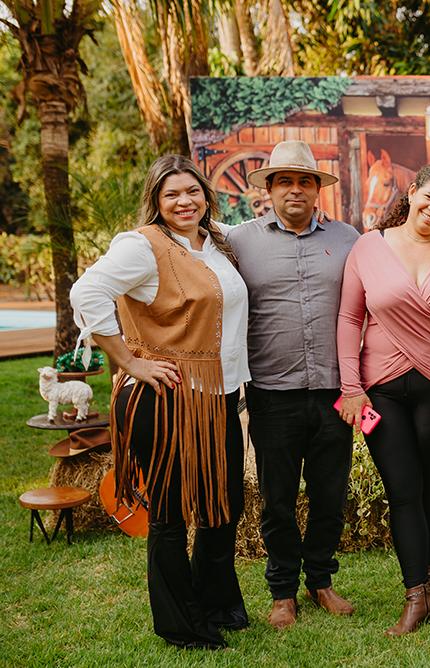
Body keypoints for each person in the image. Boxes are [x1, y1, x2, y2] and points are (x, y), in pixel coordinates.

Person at [70, 155, 249, 649]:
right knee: (170, 515)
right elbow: (87, 292)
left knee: (221, 504)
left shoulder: (214, 241)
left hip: (219, 394)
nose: (184, 201)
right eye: (171, 194)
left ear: (206, 196)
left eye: (192, 191)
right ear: (155, 200)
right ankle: (180, 624)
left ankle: (216, 602)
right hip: (166, 397)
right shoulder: (141, 247)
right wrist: (131, 362)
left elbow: (261, 226)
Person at [336, 164, 430, 636]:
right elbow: (348, 319)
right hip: (381, 388)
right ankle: (415, 594)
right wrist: (351, 388)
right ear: (412, 192)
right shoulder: (368, 247)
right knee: (401, 488)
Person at [226, 141, 359, 629]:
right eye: (285, 181)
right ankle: (282, 591)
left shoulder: (349, 239)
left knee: (329, 494)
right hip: (271, 394)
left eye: (305, 181)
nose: (296, 190)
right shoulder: (239, 243)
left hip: (333, 392)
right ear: (270, 190)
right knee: (277, 498)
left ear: (318, 189)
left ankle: (320, 580)